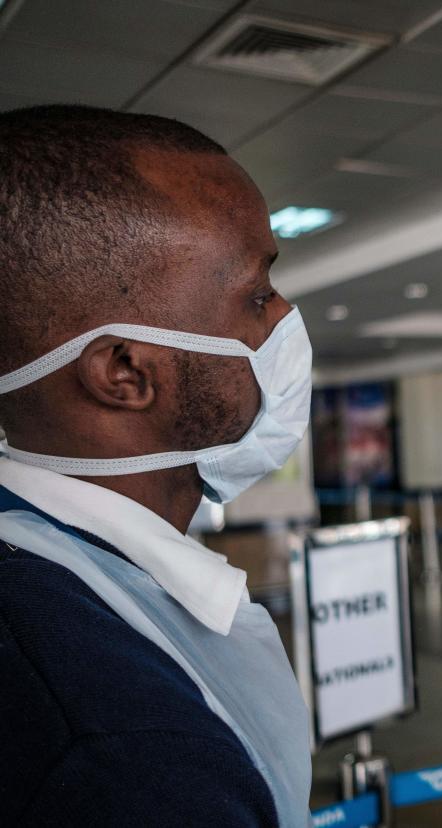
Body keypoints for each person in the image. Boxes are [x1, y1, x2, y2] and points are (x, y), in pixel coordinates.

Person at [0, 106, 312, 825]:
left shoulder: (52, 578)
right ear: (125, 373)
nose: (285, 317)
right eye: (257, 296)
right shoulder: (125, 750)